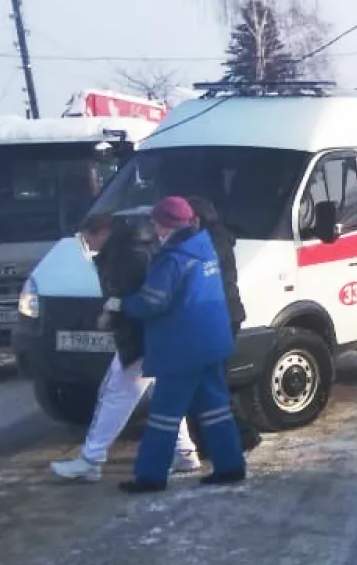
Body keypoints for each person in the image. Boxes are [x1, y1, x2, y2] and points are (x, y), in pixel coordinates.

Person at [50, 213, 198, 483]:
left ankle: (91, 459)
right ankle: (185, 453)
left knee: (116, 396)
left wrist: (114, 311)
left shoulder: (125, 255)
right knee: (159, 394)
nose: (88, 245)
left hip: (142, 338)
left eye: (88, 238)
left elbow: (137, 297)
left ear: (102, 233)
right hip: (154, 335)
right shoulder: (138, 247)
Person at [113, 197, 246, 493]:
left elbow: (152, 302)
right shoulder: (204, 247)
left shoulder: (174, 258)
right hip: (211, 342)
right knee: (215, 407)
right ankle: (230, 465)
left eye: (158, 223)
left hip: (183, 347)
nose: (156, 230)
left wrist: (122, 304)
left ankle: (150, 476)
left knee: (164, 414)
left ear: (168, 224)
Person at [183, 196, 261, 456]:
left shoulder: (211, 243)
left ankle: (240, 437)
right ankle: (218, 440)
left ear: (197, 219)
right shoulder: (212, 239)